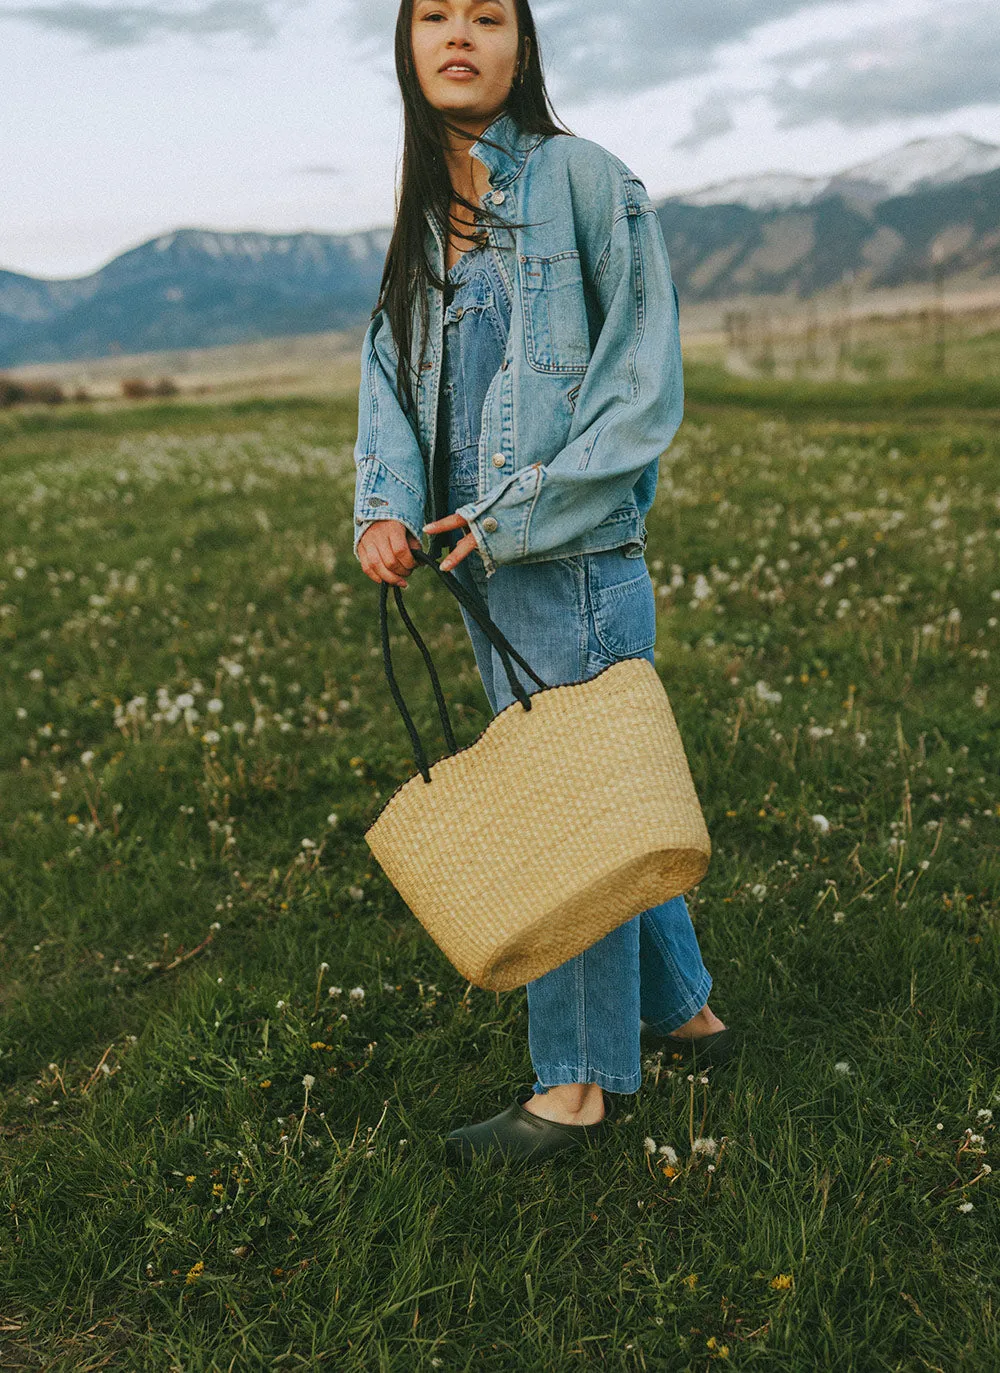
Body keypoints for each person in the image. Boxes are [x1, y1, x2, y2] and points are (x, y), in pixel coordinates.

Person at [353, 0, 735, 1168]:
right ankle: (684, 1011)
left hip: (567, 561)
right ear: (408, 47)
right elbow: (388, 365)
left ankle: (573, 1089)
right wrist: (383, 499)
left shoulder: (580, 180)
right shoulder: (427, 223)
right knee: (600, 797)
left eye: (486, 15)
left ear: (523, 48)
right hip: (474, 574)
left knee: (574, 824)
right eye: (434, 15)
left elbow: (638, 387)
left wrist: (514, 510)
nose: (458, 32)